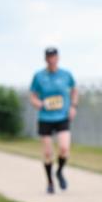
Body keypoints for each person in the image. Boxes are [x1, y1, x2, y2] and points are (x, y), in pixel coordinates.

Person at [29, 47, 77, 194]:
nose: (52, 59)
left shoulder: (66, 75)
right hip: (45, 118)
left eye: (54, 56)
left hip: (62, 116)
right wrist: (37, 102)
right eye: (49, 57)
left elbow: (74, 90)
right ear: (46, 59)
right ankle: (50, 182)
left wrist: (73, 106)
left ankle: (59, 171)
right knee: (48, 153)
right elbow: (32, 94)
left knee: (64, 148)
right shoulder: (39, 76)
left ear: (58, 58)